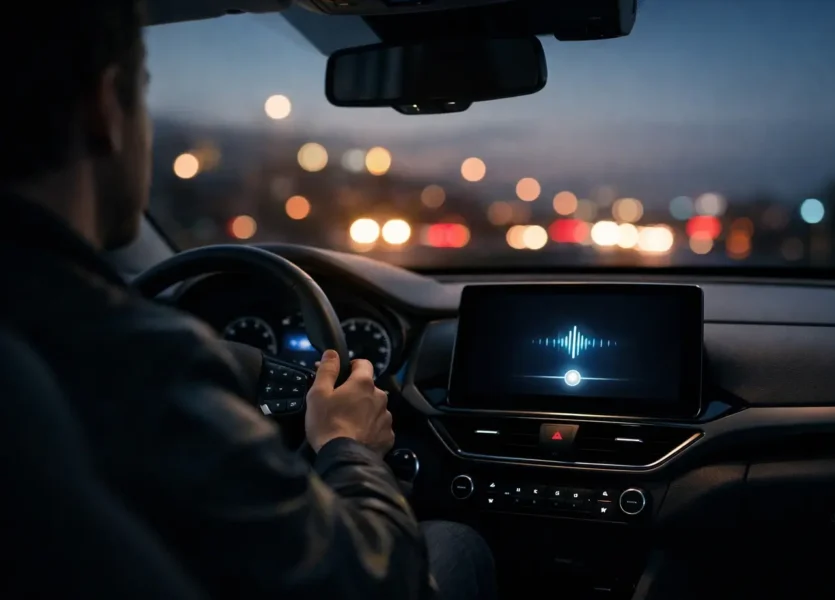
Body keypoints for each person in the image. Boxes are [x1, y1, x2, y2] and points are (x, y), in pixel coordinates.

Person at [0, 2, 495, 599]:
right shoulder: (142, 362)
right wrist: (348, 446)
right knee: (456, 543)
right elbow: (377, 580)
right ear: (106, 108)